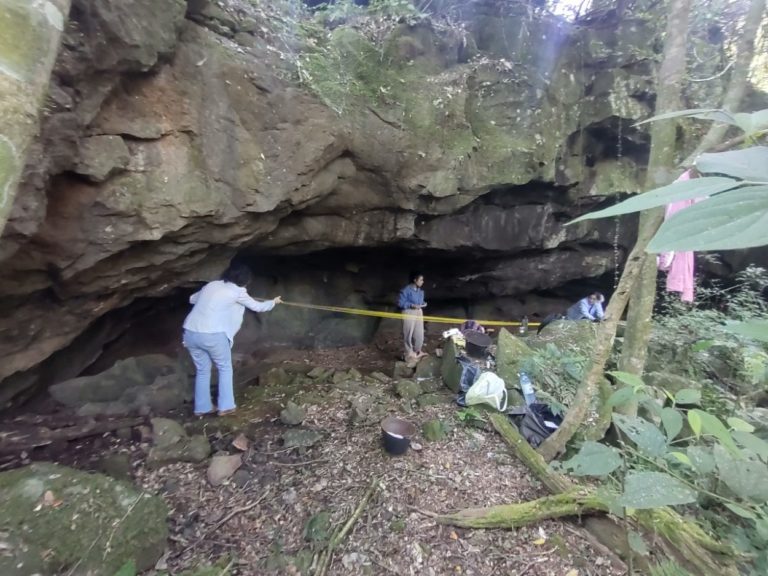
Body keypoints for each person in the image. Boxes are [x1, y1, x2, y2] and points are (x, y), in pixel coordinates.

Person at [183, 264, 282, 416]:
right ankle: (226, 406)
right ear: (245, 280)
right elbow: (258, 307)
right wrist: (273, 302)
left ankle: (202, 408)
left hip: (190, 332)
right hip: (212, 334)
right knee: (225, 368)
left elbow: (192, 299)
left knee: (202, 370)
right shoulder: (238, 292)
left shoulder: (212, 285)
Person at [398, 271, 427, 362]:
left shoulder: (420, 291)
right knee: (408, 333)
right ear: (415, 280)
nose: (422, 282)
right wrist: (411, 305)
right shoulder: (406, 290)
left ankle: (418, 351)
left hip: (419, 311)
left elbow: (420, 302)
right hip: (409, 311)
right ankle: (409, 353)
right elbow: (400, 303)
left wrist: (423, 304)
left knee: (419, 332)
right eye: (421, 280)